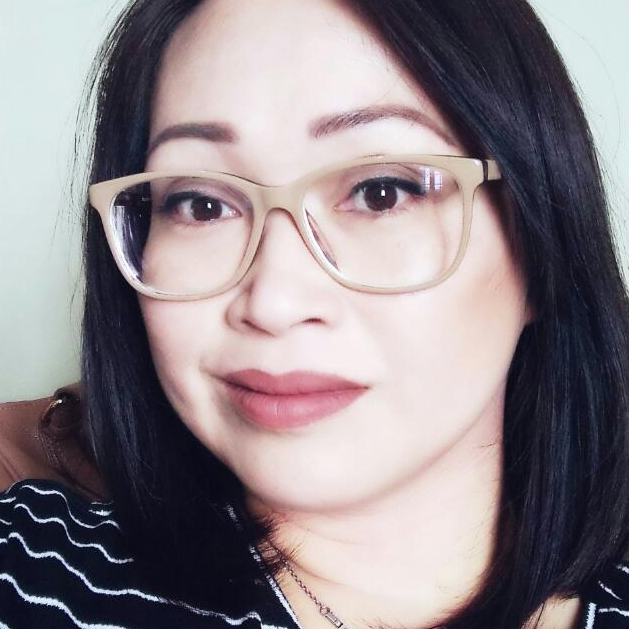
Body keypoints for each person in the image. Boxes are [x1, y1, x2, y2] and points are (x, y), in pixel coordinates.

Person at [1, 0, 629, 627]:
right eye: (200, 204)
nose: (273, 303)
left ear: (540, 244)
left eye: (381, 192)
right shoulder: (31, 576)